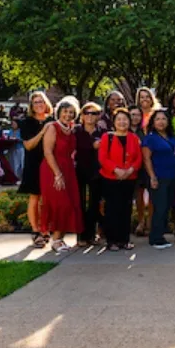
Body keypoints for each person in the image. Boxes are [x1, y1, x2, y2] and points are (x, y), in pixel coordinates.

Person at [39, 96, 83, 253]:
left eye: (71, 112)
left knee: (70, 203)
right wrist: (57, 174)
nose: (68, 115)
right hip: (53, 169)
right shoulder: (53, 127)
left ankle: (60, 238)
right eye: (65, 111)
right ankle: (56, 240)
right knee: (60, 204)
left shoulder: (70, 129)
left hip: (68, 169)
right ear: (59, 112)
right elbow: (47, 152)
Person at [98, 108, 143, 252]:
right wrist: (116, 169)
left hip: (129, 178)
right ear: (114, 122)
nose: (122, 122)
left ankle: (124, 240)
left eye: (125, 119)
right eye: (119, 119)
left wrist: (130, 170)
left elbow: (138, 158)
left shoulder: (134, 138)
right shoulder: (107, 137)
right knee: (112, 209)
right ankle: (112, 241)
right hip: (110, 178)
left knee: (126, 209)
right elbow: (103, 157)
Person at [17, 92, 55, 249]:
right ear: (31, 106)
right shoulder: (26, 122)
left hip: (50, 163)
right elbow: (28, 145)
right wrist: (42, 131)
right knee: (34, 197)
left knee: (48, 199)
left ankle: (45, 228)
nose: (39, 105)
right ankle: (35, 230)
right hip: (33, 163)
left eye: (41, 101)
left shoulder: (53, 120)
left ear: (46, 103)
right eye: (36, 102)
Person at [142, 109, 175, 249]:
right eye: (157, 119)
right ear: (153, 122)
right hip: (158, 177)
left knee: (167, 206)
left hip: (172, 176)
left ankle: (161, 235)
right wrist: (152, 177)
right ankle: (155, 238)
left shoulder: (171, 137)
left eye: (164, 119)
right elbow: (146, 159)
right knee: (160, 207)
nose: (161, 122)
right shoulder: (150, 138)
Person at [75, 102, 103, 247]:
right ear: (82, 115)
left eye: (94, 113)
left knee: (94, 204)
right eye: (87, 113)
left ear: (98, 116)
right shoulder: (76, 131)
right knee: (79, 203)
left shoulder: (102, 132)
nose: (90, 116)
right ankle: (81, 236)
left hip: (96, 172)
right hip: (78, 171)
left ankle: (91, 235)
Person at [129, 104, 150, 237]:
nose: (135, 117)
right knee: (134, 197)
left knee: (143, 195)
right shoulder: (123, 129)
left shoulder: (145, 131)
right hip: (127, 168)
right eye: (132, 115)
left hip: (143, 167)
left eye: (137, 115)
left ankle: (145, 223)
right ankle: (137, 222)